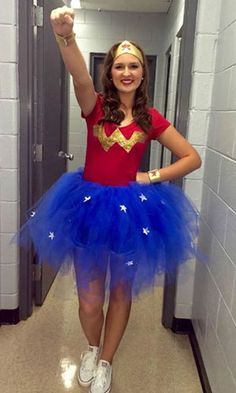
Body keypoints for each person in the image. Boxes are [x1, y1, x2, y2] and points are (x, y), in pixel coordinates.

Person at [18, 5, 201, 393]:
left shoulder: (152, 120)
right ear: (111, 72)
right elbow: (79, 75)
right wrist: (65, 35)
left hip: (132, 212)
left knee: (121, 292)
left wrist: (149, 176)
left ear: (143, 73)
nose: (127, 72)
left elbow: (191, 158)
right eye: (120, 66)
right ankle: (91, 346)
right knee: (88, 299)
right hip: (88, 208)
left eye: (134, 65)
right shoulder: (95, 108)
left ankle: (106, 361)